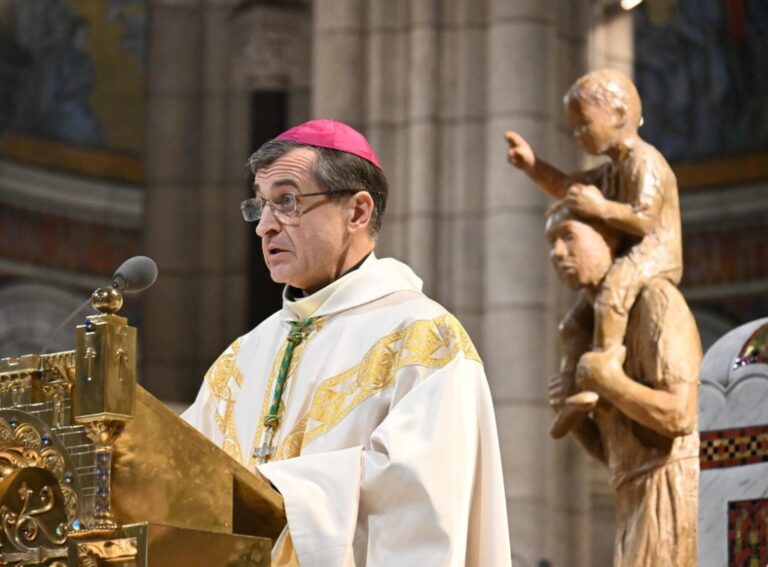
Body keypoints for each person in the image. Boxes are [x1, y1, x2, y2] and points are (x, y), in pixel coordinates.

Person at [182, 119, 511, 566]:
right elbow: (181, 476)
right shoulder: (240, 359)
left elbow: (425, 502)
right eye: (260, 206)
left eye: (287, 201)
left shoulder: (424, 339)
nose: (265, 227)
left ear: (357, 212)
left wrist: (280, 491)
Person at [505, 69, 682, 437]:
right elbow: (567, 187)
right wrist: (533, 166)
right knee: (572, 324)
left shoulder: (644, 161)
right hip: (631, 258)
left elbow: (645, 220)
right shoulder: (610, 171)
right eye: (574, 128)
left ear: (619, 115)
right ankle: (575, 386)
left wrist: (601, 209)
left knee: (612, 294)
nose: (578, 135)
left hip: (654, 254)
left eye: (584, 124)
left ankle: (604, 371)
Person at [545, 201, 699, 567]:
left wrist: (611, 382)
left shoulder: (656, 300)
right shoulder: (589, 329)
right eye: (551, 242)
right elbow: (615, 454)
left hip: (673, 488)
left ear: (610, 237)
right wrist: (576, 418)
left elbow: (680, 415)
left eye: (568, 236)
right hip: (633, 493)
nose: (557, 253)